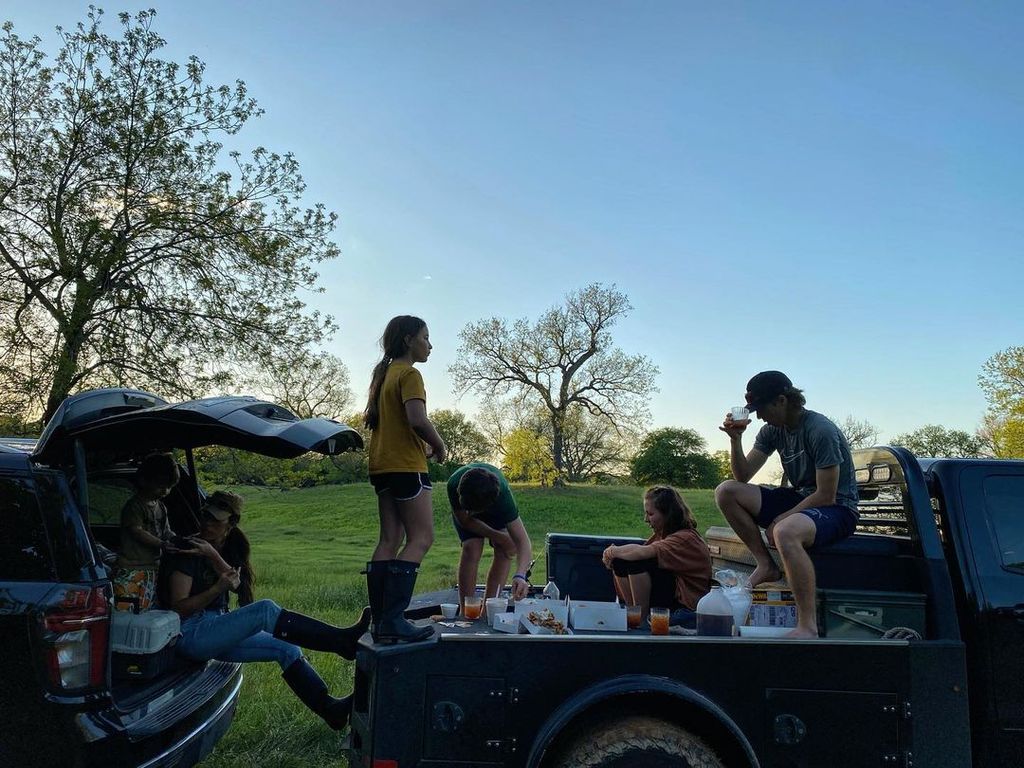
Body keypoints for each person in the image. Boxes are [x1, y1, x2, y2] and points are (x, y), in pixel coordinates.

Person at [166, 491, 369, 730]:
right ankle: (341, 642)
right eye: (205, 517)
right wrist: (216, 588)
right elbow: (179, 609)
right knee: (265, 610)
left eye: (215, 520)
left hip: (215, 627)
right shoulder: (189, 549)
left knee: (287, 647)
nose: (206, 523)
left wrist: (213, 556)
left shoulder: (230, 547)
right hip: (190, 633)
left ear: (230, 524)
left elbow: (237, 586)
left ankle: (330, 710)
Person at [715, 370, 859, 638]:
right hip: (802, 498)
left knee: (785, 531)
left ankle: (807, 626)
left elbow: (826, 495)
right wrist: (736, 441)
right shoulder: (773, 431)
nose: (758, 417)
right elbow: (743, 476)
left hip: (837, 508)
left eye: (762, 408)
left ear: (782, 400)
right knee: (726, 492)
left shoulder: (820, 430)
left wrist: (781, 519)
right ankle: (766, 565)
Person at [363, 315, 447, 644]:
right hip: (405, 466)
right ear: (409, 339)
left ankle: (381, 620)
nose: (430, 344)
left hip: (382, 466)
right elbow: (417, 419)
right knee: (421, 539)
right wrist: (439, 445)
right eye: (426, 337)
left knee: (389, 539)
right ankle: (393, 619)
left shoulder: (384, 376)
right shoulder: (410, 374)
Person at [601, 486, 711, 628]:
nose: (646, 519)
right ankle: (632, 614)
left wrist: (612, 551)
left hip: (685, 607)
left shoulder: (685, 539)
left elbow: (641, 553)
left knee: (637, 562)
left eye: (650, 514)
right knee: (622, 562)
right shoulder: (663, 535)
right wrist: (614, 557)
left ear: (668, 515)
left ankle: (641, 621)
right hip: (669, 598)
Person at [447, 463, 533, 605]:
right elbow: (465, 521)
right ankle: (466, 611)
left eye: (472, 511)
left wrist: (520, 575)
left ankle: (489, 609)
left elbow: (523, 542)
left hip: (492, 505)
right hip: (468, 509)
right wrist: (498, 537)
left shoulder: (503, 498)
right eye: (467, 508)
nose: (469, 513)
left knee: (505, 550)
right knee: (472, 548)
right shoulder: (453, 484)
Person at [114, 453, 185, 611]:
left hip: (152, 569)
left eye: (169, 487)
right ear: (144, 481)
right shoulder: (134, 506)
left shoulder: (161, 507)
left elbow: (166, 531)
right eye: (161, 486)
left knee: (147, 608)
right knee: (127, 610)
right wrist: (162, 544)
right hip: (131, 568)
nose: (165, 491)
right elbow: (136, 531)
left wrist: (178, 541)